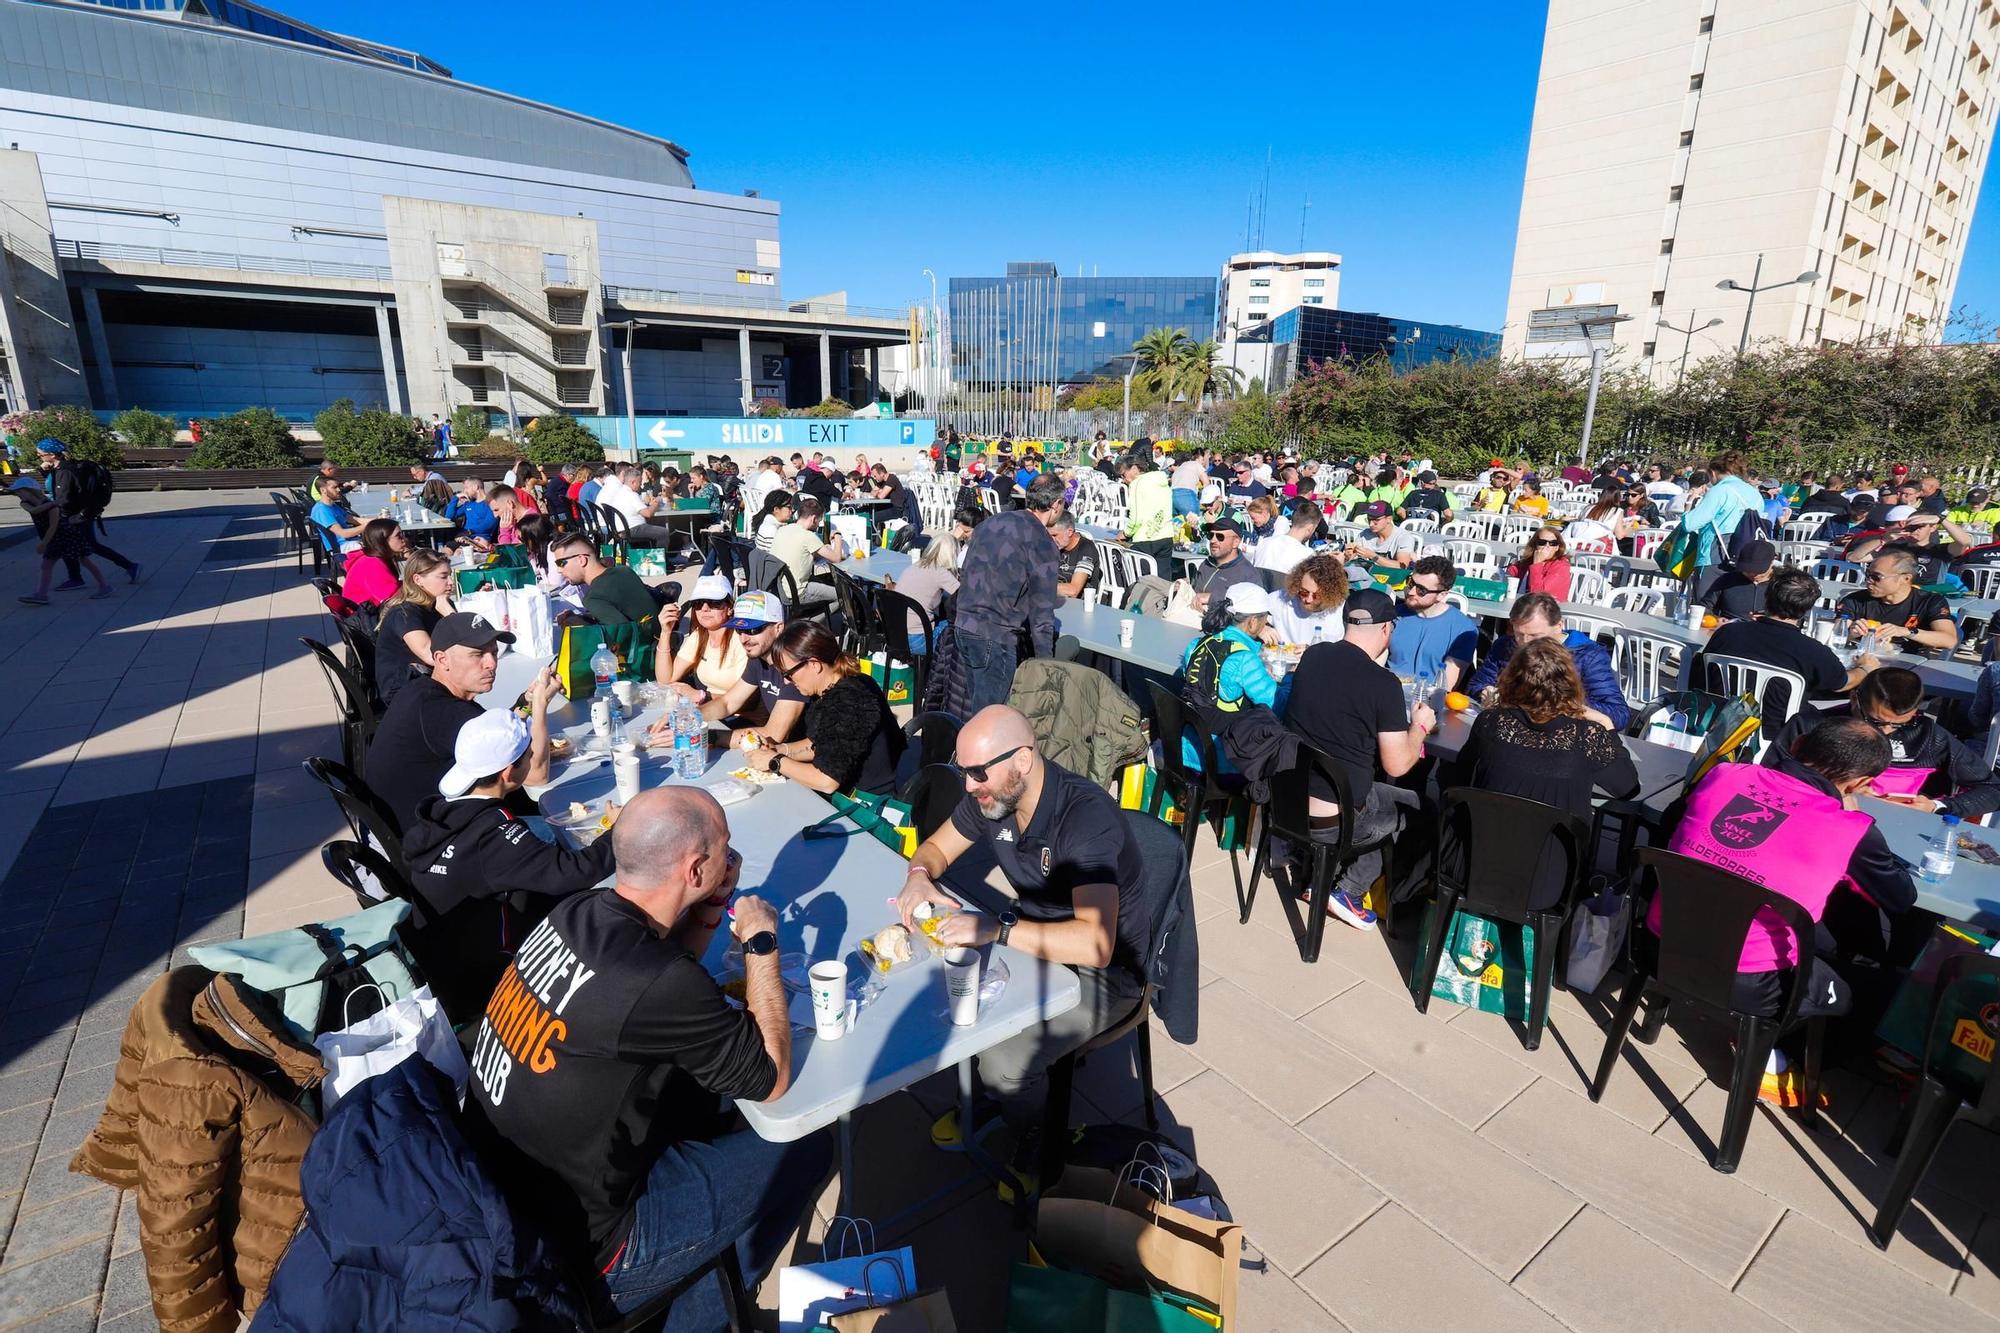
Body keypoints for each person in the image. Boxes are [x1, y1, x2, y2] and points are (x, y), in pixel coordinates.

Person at [466, 786, 830, 1324]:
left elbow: (661, 972)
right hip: (589, 1249)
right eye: (725, 851)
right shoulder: (658, 982)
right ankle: (704, 1311)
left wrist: (710, 908)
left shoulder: (579, 910)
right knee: (805, 1142)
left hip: (509, 1193)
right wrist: (760, 941)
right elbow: (770, 1075)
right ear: (695, 866)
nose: (731, 860)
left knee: (706, 1101)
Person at [894, 705, 1147, 1162]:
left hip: (1107, 975)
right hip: (1034, 940)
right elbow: (935, 848)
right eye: (963, 770)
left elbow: (1097, 945)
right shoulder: (994, 798)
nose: (968, 786)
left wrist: (996, 928)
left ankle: (1040, 1141)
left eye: (977, 773)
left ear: (1022, 761)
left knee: (1005, 1063)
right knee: (944, 990)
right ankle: (981, 1103)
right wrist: (917, 875)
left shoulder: (1085, 819)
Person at [1661, 717, 1916, 1100]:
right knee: (1892, 990)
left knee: (1823, 936)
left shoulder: (1724, 775)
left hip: (1661, 942)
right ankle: (1776, 1058)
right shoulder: (1852, 828)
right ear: (1862, 784)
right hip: (1751, 983)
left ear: (1796, 748)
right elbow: (1901, 897)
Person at [401, 711, 617, 1024]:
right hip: (484, 979)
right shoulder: (493, 834)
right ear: (508, 772)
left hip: (442, 956)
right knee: (599, 910)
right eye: (529, 754)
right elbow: (577, 872)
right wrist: (618, 830)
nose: (535, 756)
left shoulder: (444, 810)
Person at [1282, 589, 1434, 931]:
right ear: (1387, 629)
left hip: (1289, 802)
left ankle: (1314, 874)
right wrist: (1421, 727)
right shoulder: (1384, 684)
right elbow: (1397, 765)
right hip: (1337, 820)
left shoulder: (1313, 656)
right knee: (1420, 809)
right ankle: (1350, 890)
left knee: (1377, 793)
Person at [1457, 638, 1639, 903]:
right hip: (1552, 882)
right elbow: (1627, 788)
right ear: (1571, 684)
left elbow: (1460, 776)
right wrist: (1608, 730)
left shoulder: (1491, 723)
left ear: (1511, 679)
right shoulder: (1588, 737)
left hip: (1478, 863)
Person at [367, 613, 555, 832]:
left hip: (423, 822)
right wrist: (541, 705)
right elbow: (535, 775)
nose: (491, 664)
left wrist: (527, 702)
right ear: (442, 659)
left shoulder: (423, 690)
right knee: (564, 832)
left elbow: (498, 734)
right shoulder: (445, 713)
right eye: (478, 655)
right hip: (435, 840)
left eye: (494, 653)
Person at [1770, 667, 2000, 820]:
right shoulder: (1811, 725)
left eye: (1900, 724)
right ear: (1854, 699)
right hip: (1813, 818)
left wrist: (1937, 807)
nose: (1885, 732)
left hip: (1895, 827)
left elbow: (1992, 789)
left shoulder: (1929, 736)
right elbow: (1770, 776)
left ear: (1915, 713)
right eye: (1875, 721)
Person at [941, 474, 1065, 715]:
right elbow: (1042, 615)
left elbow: (966, 570)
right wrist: (1044, 666)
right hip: (994, 634)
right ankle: (973, 754)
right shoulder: (1042, 542)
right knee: (991, 719)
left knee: (977, 712)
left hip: (963, 624)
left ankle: (967, 751)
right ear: (1056, 505)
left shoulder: (992, 523)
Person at [1703, 568, 1872, 733]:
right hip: (1781, 732)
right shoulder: (1813, 651)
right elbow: (1842, 683)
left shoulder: (1727, 633)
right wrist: (1865, 668)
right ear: (1808, 607)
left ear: (1767, 597)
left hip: (1722, 723)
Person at [749, 621, 905, 794]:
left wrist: (775, 761)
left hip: (864, 804)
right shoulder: (838, 685)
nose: (786, 681)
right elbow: (821, 743)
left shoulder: (850, 700)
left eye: (788, 674)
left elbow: (826, 781)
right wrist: (780, 749)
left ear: (814, 664)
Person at [1464, 593, 1629, 729]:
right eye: (1519, 634)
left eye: (1535, 636)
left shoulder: (1588, 656)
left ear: (1558, 626)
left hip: (1561, 735)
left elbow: (1618, 714)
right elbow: (1475, 685)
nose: (1524, 642)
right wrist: (1485, 692)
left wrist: (1555, 700)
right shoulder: (1505, 645)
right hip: (1509, 728)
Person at [36, 437, 138, 584]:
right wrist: (44, 469)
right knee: (71, 546)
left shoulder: (64, 472)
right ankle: (76, 578)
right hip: (82, 512)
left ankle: (128, 566)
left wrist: (46, 508)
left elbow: (64, 498)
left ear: (52, 454)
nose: (39, 457)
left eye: (40, 454)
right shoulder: (69, 466)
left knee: (87, 546)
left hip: (76, 515)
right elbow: (60, 486)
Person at [550, 532, 676, 641]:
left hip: (646, 658)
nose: (559, 570)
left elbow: (623, 637)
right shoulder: (624, 571)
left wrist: (577, 623)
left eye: (561, 563)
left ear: (581, 560)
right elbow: (626, 609)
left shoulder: (593, 598)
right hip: (664, 639)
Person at [1674, 449, 1763, 600]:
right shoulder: (1754, 493)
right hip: (1745, 555)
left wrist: (1688, 505)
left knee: (1703, 609)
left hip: (1716, 554)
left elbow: (1690, 524)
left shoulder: (1719, 490)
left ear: (1713, 473)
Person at [11, 474, 114, 604]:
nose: (19, 495)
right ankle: (41, 594)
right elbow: (36, 510)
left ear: (30, 491)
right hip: (54, 538)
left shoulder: (52, 507)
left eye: (20, 492)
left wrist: (44, 543)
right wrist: (53, 503)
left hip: (66, 536)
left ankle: (105, 586)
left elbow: (53, 526)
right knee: (46, 565)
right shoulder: (26, 503)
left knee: (84, 560)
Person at [1837, 549, 1959, 653]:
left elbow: (1949, 640)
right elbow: (1833, 636)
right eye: (1868, 574)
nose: (1869, 580)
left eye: (1876, 577)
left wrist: (1905, 632)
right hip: (1861, 656)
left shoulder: (1930, 601)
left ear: (1905, 578)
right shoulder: (1854, 600)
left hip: (1909, 662)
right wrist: (1850, 633)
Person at [374, 548, 455, 706]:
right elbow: (430, 655)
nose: (451, 582)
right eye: (443, 576)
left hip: (430, 678)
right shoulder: (404, 613)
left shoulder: (438, 604)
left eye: (450, 575)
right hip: (403, 689)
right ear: (418, 580)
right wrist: (450, 615)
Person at [1389, 556, 1478, 690]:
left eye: (1421, 590)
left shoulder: (1463, 629)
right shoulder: (1392, 615)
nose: (1411, 592)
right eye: (1411, 583)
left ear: (1442, 595)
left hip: (1427, 699)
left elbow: (1446, 687)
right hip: (1386, 691)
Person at [660, 574, 747, 697]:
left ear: (730, 608)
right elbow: (665, 680)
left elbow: (744, 697)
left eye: (714, 602)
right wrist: (665, 632)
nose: (705, 608)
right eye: (698, 603)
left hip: (738, 713)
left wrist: (700, 695)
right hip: (711, 708)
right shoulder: (699, 635)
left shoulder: (741, 639)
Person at [883, 529, 960, 654]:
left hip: (897, 636)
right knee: (955, 627)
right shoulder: (940, 572)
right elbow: (963, 595)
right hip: (919, 640)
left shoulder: (915, 565)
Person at [770, 494, 848, 612]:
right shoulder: (808, 536)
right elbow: (837, 558)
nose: (818, 524)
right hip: (799, 591)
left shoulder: (784, 529)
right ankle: (814, 622)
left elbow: (800, 551)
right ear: (813, 519)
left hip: (781, 587)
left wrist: (823, 548)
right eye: (819, 521)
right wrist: (838, 537)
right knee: (844, 594)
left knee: (823, 581)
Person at [1189, 515, 1263, 612]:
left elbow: (1256, 605)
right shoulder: (1207, 564)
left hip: (1221, 624)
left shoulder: (1248, 574)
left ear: (1235, 542)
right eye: (1210, 535)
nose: (1213, 540)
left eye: (1220, 537)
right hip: (1191, 616)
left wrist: (1212, 598)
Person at [1270, 553, 1347, 646]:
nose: (1308, 599)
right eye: (1304, 592)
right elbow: (1251, 608)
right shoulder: (1284, 598)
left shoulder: (1341, 610)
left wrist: (1311, 652)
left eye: (1317, 596)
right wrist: (1262, 629)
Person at [1118, 452, 1176, 567]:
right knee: (1163, 579)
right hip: (1166, 536)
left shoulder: (1136, 484)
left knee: (1144, 580)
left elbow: (1135, 518)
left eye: (1124, 475)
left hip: (1145, 539)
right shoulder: (1161, 481)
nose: (1123, 480)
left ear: (1134, 468)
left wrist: (1125, 533)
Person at [1697, 539, 1775, 622]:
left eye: (1759, 571)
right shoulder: (1727, 580)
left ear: (1772, 563)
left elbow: (1789, 617)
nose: (1753, 574)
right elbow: (1703, 608)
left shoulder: (1782, 585)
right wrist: (1716, 620)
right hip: (1730, 628)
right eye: (1747, 570)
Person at [340, 517, 407, 607]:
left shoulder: (373, 557)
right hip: (366, 616)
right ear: (382, 541)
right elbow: (393, 599)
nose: (404, 539)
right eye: (398, 536)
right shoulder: (372, 564)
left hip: (368, 609)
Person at [1344, 501, 1419, 570]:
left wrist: (1372, 556)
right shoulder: (1364, 534)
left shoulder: (1404, 537)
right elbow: (1352, 562)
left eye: (1376, 520)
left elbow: (1402, 566)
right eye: (1368, 519)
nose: (1371, 524)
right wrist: (1348, 556)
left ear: (1389, 519)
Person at [1253, 504, 1322, 575]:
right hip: (1284, 585)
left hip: (1258, 585)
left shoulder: (1264, 543)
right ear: (1310, 528)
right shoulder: (1307, 555)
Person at [1507, 525, 1571, 600]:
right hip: (1525, 604)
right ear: (1535, 545)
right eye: (1542, 542)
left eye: (1553, 543)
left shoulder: (1561, 566)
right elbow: (1510, 576)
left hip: (1548, 608)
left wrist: (1537, 564)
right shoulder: (1528, 562)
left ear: (1557, 547)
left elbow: (1537, 595)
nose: (1547, 546)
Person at [310, 473, 366, 556]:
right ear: (323, 490)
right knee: (382, 545)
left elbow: (354, 519)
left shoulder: (332, 505)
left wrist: (378, 520)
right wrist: (367, 526)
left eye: (338, 487)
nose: (339, 490)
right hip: (341, 547)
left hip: (350, 541)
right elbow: (343, 533)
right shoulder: (322, 510)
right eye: (334, 487)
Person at [1049, 513, 1101, 599]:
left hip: (1076, 606)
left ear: (1069, 532)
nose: (1051, 539)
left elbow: (1073, 591)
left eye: (1054, 535)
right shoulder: (1053, 546)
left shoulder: (1086, 549)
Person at [1169, 450, 1208, 516]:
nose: (1203, 462)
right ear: (1198, 459)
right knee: (1193, 521)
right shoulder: (1196, 464)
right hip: (1186, 495)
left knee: (1178, 524)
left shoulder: (1181, 467)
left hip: (1171, 495)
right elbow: (1206, 482)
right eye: (1202, 460)